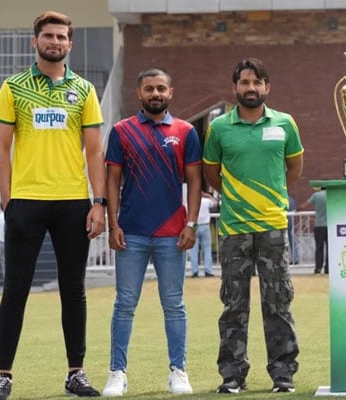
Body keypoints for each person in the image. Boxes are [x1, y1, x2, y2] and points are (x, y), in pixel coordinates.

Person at [0, 11, 105, 399]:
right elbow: (1, 149)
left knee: (74, 289)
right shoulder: (14, 87)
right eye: (48, 36)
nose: (55, 42)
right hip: (26, 202)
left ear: (70, 44)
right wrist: (8, 201)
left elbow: (94, 152)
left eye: (61, 37)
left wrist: (98, 202)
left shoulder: (84, 90)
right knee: (15, 289)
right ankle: (3, 374)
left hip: (73, 202)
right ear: (34, 42)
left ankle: (76, 373)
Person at [203, 57, 303, 394]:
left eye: (257, 82)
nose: (250, 88)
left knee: (277, 303)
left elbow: (294, 168)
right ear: (235, 88)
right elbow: (211, 174)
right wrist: (238, 198)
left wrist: (270, 197)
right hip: (234, 228)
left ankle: (283, 374)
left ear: (267, 87)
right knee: (234, 304)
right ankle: (232, 375)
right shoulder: (219, 128)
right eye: (244, 83)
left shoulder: (285, 123)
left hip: (273, 226)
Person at [102, 67, 201, 396]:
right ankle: (117, 373)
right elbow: (112, 180)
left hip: (173, 234)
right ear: (139, 94)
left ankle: (179, 371)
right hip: (130, 233)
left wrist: (191, 224)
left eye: (161, 88)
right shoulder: (121, 131)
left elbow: (195, 181)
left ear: (171, 93)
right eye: (149, 89)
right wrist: (113, 224)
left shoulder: (186, 131)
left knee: (174, 304)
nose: (155, 94)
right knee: (124, 304)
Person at [298, 190, 327, 274]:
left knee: (319, 248)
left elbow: (305, 205)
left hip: (319, 225)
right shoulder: (332, 195)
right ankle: (328, 268)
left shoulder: (316, 195)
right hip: (330, 225)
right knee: (330, 248)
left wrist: (297, 209)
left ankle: (318, 268)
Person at [190, 189, 217, 277]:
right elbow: (215, 203)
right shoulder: (206, 201)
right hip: (205, 225)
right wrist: (209, 196)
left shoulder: (191, 202)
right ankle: (208, 270)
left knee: (194, 250)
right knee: (207, 249)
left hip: (195, 226)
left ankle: (194, 271)